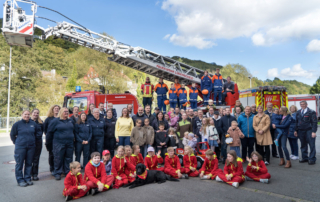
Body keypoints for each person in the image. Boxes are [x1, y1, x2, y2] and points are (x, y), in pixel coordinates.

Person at [10, 110, 37, 187]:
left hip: (31, 147)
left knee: (29, 164)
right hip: (20, 147)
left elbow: (36, 134)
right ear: (22, 115)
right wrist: (17, 143)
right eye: (25, 114)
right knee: (19, 164)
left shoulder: (33, 124)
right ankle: (20, 180)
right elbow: (12, 135)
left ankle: (27, 178)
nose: (27, 116)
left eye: (28, 114)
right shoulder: (17, 124)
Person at [46, 107, 74, 180]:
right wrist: (48, 143)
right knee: (58, 158)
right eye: (65, 111)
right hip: (59, 143)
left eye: (67, 111)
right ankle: (57, 173)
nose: (66, 113)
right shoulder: (55, 121)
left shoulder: (70, 121)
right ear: (61, 112)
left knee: (68, 158)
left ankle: (67, 172)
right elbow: (49, 133)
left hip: (69, 143)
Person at [295, 101, 317, 165]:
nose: (302, 105)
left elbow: (314, 122)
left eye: (303, 104)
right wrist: (295, 130)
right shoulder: (298, 112)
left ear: (306, 104)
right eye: (301, 104)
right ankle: (305, 158)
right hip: (300, 130)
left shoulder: (311, 112)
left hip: (309, 130)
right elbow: (296, 122)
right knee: (303, 145)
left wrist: (313, 131)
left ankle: (312, 159)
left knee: (311, 145)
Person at [44, 104, 60, 174]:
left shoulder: (61, 118)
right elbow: (45, 130)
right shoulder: (48, 119)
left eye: (58, 108)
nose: (56, 109)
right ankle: (52, 168)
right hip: (51, 140)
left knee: (59, 155)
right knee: (52, 154)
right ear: (52, 110)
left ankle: (59, 168)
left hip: (59, 140)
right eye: (55, 108)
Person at [30, 109, 43, 181]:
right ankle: (28, 174)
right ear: (32, 113)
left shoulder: (41, 123)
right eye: (34, 113)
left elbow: (41, 132)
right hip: (29, 143)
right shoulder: (28, 121)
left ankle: (35, 174)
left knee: (36, 159)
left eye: (37, 113)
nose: (36, 114)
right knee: (29, 159)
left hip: (38, 143)